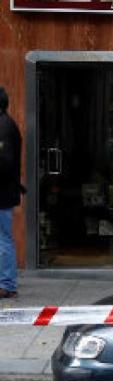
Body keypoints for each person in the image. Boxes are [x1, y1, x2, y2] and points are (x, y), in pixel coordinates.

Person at [0, 86, 23, 298]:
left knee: (3, 238)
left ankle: (6, 284)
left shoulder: (4, 127)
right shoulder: (5, 124)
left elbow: (5, 163)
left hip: (2, 194)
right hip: (5, 192)